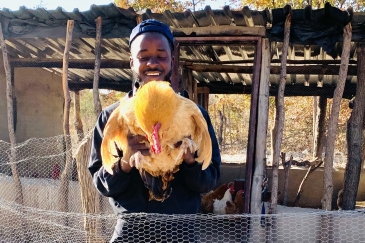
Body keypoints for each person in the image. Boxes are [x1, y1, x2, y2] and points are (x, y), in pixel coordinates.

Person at [88, 19, 221, 242]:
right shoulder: (113, 117)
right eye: (143, 57)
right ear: (132, 62)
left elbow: (210, 180)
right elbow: (102, 184)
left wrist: (189, 159)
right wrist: (125, 161)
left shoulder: (193, 115)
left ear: (172, 60)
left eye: (161, 55)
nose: (152, 63)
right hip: (131, 233)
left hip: (180, 233)